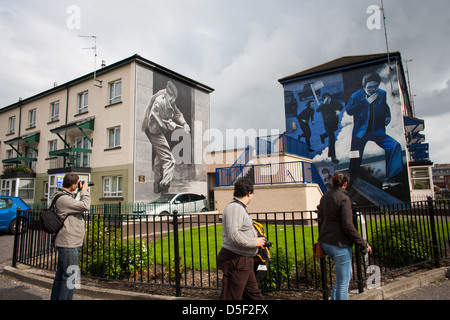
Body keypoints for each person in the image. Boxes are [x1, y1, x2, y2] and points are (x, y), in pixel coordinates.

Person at [318, 172, 372, 300]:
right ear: (345, 184)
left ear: (332, 182)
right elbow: (348, 225)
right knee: (343, 282)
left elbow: (323, 218)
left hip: (326, 241)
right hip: (339, 243)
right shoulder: (344, 199)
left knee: (346, 274)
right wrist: (363, 243)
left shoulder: (325, 197)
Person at [346, 72, 403, 189]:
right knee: (355, 158)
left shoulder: (382, 94)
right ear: (364, 86)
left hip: (377, 131)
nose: (373, 89)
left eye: (375, 86)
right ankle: (350, 182)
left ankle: (390, 179)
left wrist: (387, 116)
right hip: (360, 133)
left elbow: (384, 106)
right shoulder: (356, 96)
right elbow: (349, 110)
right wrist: (365, 103)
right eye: (370, 87)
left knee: (394, 146)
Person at [216, 178, 265, 300]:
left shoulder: (239, 207)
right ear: (249, 193)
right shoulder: (235, 208)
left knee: (253, 295)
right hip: (236, 259)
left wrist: (253, 237)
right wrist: (255, 242)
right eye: (252, 193)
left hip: (243, 259)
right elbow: (234, 235)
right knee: (231, 297)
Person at [142, 81, 190, 194]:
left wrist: (184, 124)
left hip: (157, 129)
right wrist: (168, 126)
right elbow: (153, 122)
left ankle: (157, 183)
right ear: (167, 95)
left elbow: (177, 114)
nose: (173, 102)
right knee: (169, 159)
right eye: (172, 99)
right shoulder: (159, 103)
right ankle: (164, 184)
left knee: (160, 155)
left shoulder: (170, 101)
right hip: (152, 130)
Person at [50, 173, 91, 300]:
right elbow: (85, 206)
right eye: (77, 183)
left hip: (66, 242)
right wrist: (84, 192)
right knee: (70, 277)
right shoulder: (64, 199)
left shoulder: (61, 196)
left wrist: (79, 190)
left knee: (61, 275)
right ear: (73, 185)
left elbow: (73, 202)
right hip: (69, 243)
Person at [316, 92, 343, 164]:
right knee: (332, 137)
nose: (328, 100)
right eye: (326, 98)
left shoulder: (334, 102)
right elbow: (317, 110)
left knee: (334, 130)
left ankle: (323, 135)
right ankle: (332, 156)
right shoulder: (323, 105)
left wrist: (338, 110)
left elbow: (340, 105)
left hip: (334, 122)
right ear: (324, 99)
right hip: (327, 123)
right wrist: (323, 103)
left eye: (329, 98)